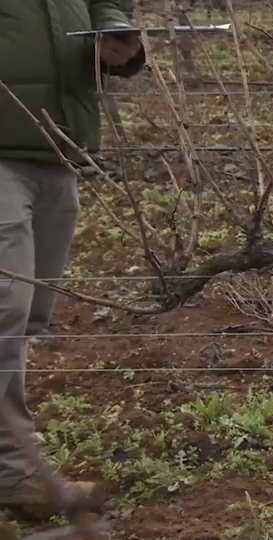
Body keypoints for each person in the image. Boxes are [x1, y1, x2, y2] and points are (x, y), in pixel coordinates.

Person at [0, 0, 145, 520]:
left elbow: (105, 3)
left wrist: (114, 39)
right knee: (5, 310)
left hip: (58, 145)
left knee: (30, 314)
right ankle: (11, 476)